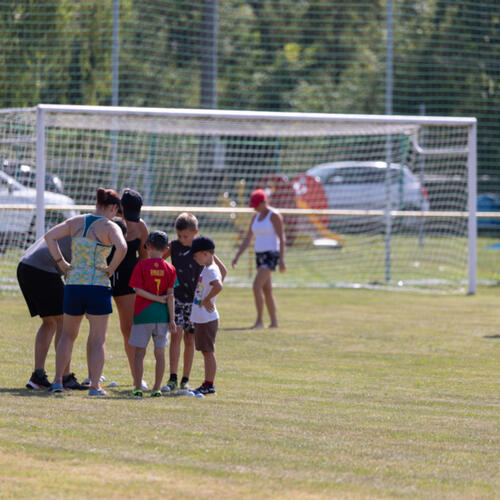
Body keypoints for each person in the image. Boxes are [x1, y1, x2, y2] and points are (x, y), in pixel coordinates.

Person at [45, 187, 127, 396]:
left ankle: (57, 381)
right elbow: (123, 247)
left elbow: (49, 236)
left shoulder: (76, 221)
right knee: (98, 339)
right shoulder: (109, 226)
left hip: (73, 285)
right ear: (112, 207)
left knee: (67, 336)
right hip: (98, 286)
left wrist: (61, 262)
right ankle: (94, 386)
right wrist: (111, 268)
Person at [163, 213, 226, 393]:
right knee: (176, 335)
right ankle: (173, 377)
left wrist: (210, 296)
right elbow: (159, 262)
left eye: (186, 236)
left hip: (195, 303)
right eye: (180, 236)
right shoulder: (174, 247)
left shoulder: (201, 249)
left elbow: (222, 271)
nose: (182, 240)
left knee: (189, 339)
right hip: (178, 299)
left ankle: (185, 378)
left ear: (195, 233)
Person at [17, 235, 86, 390]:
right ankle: (65, 377)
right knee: (64, 320)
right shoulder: (93, 232)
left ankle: (38, 376)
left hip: (25, 267)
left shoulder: (77, 225)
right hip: (42, 270)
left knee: (50, 322)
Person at [108, 189, 149, 388]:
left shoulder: (141, 227)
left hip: (127, 281)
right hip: (102, 276)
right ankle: (84, 377)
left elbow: (143, 256)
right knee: (93, 327)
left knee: (129, 329)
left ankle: (137, 377)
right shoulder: (108, 220)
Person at [128, 231, 176, 397]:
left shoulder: (141, 266)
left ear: (147, 246)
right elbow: (170, 296)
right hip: (162, 317)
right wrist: (172, 319)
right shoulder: (170, 268)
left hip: (142, 316)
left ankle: (138, 387)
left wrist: (155, 298)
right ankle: (156, 388)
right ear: (166, 249)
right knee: (160, 353)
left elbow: (138, 290)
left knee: (139, 353)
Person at [232, 188, 286, 328]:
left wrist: (281, 259)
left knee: (256, 286)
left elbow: (282, 238)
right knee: (267, 289)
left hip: (271, 255)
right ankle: (274, 322)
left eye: (257, 205)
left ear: (264, 202)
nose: (255, 208)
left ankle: (259, 321)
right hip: (260, 255)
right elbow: (248, 238)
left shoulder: (274, 215)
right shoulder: (255, 217)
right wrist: (237, 256)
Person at [189, 236, 223, 396]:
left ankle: (209, 384)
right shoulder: (208, 268)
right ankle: (208, 383)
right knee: (205, 351)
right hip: (202, 318)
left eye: (196, 255)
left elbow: (218, 286)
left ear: (205, 253)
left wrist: (207, 299)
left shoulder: (211, 269)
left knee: (208, 351)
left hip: (207, 318)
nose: (195, 259)